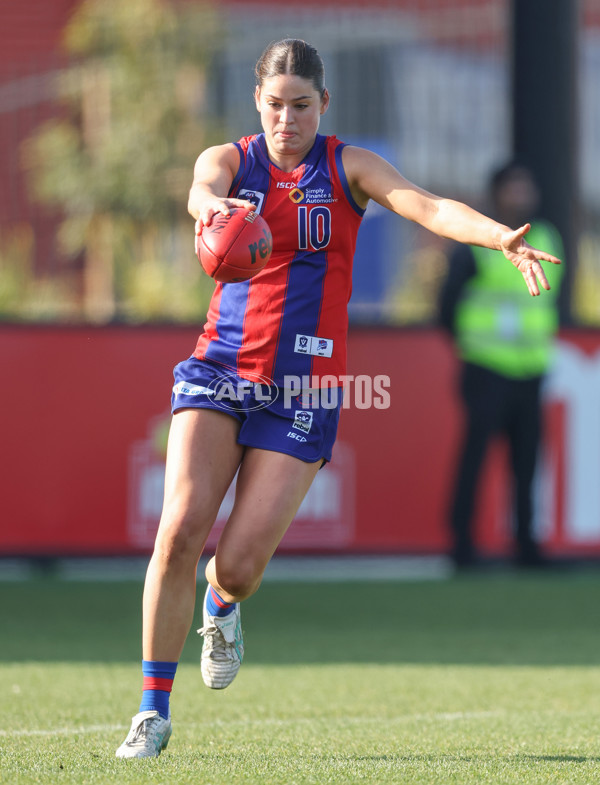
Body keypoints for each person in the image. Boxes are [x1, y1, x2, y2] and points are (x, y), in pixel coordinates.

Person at [116, 39, 561, 758]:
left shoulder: (347, 166)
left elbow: (426, 205)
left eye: (300, 105)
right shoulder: (230, 163)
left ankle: (222, 604)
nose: (286, 119)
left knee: (238, 564)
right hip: (219, 367)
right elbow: (200, 188)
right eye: (273, 106)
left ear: (323, 104)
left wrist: (494, 239)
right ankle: (151, 709)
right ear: (257, 104)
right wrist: (210, 209)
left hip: (304, 385)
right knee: (178, 530)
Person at [438, 162, 564, 569]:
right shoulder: (477, 240)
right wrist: (471, 347)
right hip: (486, 368)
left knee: (527, 462)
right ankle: (462, 549)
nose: (521, 196)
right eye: (513, 188)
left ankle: (527, 548)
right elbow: (447, 305)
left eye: (526, 187)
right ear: (496, 195)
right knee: (474, 460)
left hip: (531, 368)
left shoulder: (547, 237)